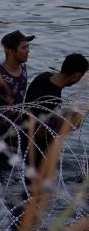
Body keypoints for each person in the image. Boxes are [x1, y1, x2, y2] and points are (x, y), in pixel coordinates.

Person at [0, 30, 33, 184]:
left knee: (7, 173)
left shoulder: (23, 69)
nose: (28, 51)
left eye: (28, 47)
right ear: (10, 50)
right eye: (24, 48)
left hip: (14, 129)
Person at [23, 52, 87, 183]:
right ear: (76, 76)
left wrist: (63, 114)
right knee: (36, 188)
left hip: (25, 136)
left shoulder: (44, 77)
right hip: (36, 147)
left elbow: (40, 111)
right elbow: (42, 131)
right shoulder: (52, 97)